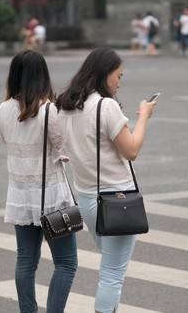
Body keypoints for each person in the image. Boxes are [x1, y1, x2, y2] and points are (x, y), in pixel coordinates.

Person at [55, 47, 157, 313]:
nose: (119, 82)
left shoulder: (66, 105)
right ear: (104, 73)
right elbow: (131, 150)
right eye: (118, 76)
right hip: (117, 200)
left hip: (88, 199)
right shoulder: (105, 105)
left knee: (111, 268)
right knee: (112, 275)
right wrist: (144, 116)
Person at [0, 50, 78, 313]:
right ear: (43, 76)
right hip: (52, 197)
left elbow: (9, 143)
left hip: (21, 197)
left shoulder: (3, 109)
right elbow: (64, 153)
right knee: (66, 263)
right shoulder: (48, 111)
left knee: (26, 263)